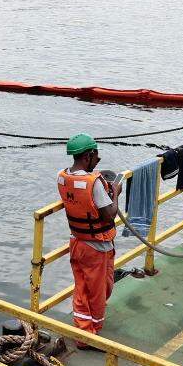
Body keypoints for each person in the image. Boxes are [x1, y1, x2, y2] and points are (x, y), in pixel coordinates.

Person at [57, 134, 121, 345]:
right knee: (99, 291)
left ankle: (83, 330)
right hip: (97, 247)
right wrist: (116, 193)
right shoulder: (94, 183)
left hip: (77, 243)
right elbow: (109, 214)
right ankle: (89, 334)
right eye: (96, 155)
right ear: (88, 156)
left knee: (82, 287)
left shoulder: (62, 177)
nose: (98, 159)